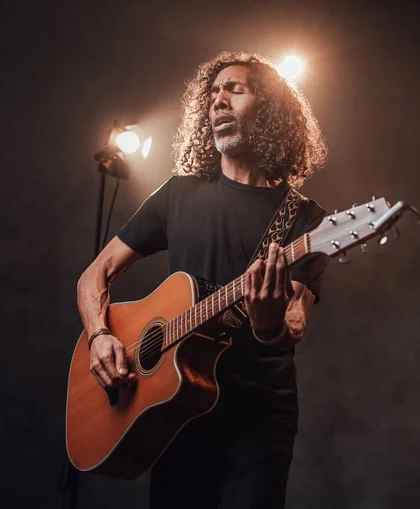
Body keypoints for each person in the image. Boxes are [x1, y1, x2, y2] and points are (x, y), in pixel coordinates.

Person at [76, 52, 329, 508]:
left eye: (235, 89)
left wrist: (268, 322)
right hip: (176, 412)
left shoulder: (306, 220)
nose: (219, 100)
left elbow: (294, 320)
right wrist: (98, 336)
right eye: (213, 93)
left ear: (270, 108)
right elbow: (94, 275)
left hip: (258, 416)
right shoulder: (179, 194)